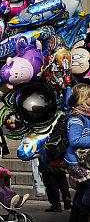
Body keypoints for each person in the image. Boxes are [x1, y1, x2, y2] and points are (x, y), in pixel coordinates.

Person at [65, 83, 90, 222]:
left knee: (81, 190)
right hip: (76, 161)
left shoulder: (85, 114)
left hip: (82, 159)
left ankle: (75, 218)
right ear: (83, 98)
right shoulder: (76, 117)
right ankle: (83, 217)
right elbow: (74, 140)